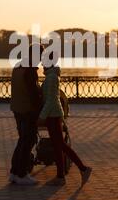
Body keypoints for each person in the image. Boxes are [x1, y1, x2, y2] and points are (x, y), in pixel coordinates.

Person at [39, 51, 92, 186]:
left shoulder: (51, 78)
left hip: (53, 115)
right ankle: (61, 176)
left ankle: (83, 169)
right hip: (53, 114)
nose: (42, 63)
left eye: (44, 60)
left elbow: (51, 100)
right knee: (59, 145)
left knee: (61, 145)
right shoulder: (52, 76)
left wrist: (41, 117)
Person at [9, 43, 43, 185]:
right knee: (28, 141)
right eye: (40, 56)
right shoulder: (29, 71)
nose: (41, 59)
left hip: (17, 108)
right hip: (27, 111)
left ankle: (14, 172)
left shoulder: (18, 66)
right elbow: (33, 94)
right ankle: (22, 174)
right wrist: (41, 109)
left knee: (22, 140)